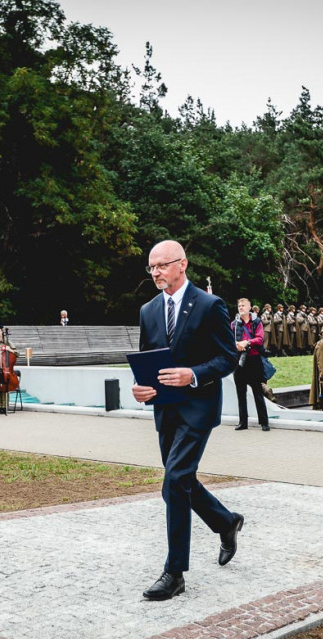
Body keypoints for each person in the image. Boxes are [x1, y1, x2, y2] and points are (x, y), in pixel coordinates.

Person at [131, 240, 244, 602]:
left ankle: (174, 572)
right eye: (151, 267)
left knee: (175, 480)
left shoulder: (210, 306)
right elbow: (148, 361)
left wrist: (192, 374)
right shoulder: (148, 310)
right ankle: (226, 522)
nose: (156, 273)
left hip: (198, 409)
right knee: (177, 483)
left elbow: (228, 359)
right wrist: (141, 388)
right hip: (164, 409)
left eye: (162, 266)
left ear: (183, 264)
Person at [231, 297, 270, 431]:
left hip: (254, 360)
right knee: (240, 393)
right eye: (239, 305)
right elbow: (229, 341)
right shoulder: (234, 324)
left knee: (258, 392)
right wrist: (236, 345)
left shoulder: (256, 322)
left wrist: (246, 342)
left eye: (243, 305)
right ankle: (243, 422)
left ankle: (264, 422)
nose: (241, 307)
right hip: (239, 360)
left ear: (249, 307)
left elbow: (260, 339)